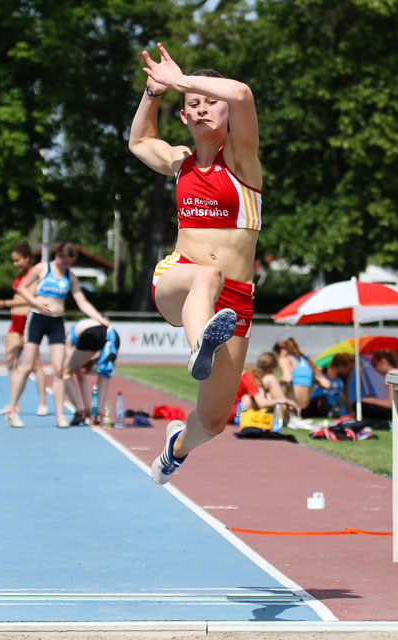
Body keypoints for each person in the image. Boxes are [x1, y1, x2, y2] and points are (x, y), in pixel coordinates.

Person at [129, 43, 261, 484]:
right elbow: (140, 141)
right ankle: (198, 346)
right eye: (192, 105)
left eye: (210, 102)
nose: (202, 109)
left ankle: (175, 449)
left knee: (212, 422)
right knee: (208, 273)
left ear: (225, 113)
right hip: (178, 279)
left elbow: (241, 91)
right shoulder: (180, 161)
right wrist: (154, 92)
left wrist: (180, 81)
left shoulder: (241, 160)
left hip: (235, 300)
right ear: (183, 117)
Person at [3, 242, 111, 428]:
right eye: (64, 262)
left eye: (70, 263)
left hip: (57, 322)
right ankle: (12, 410)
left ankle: (60, 415)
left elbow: (81, 301)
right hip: (37, 319)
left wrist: (100, 318)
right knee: (27, 365)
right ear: (57, 256)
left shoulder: (70, 276)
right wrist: (35, 303)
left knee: (59, 369)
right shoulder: (42, 268)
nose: (66, 266)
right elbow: (20, 288)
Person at [0, 242, 49, 417]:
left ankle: (43, 403)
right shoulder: (20, 275)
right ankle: (13, 404)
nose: (15, 264)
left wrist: (5, 303)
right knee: (10, 361)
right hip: (14, 323)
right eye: (13, 261)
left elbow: (29, 300)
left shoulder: (34, 274)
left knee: (35, 365)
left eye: (18, 260)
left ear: (27, 259)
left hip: (28, 322)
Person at [63, 318, 120, 426]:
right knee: (104, 374)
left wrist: (85, 410)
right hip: (113, 335)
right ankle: (99, 414)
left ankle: (80, 412)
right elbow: (81, 377)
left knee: (64, 373)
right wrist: (88, 409)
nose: (85, 370)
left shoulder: (69, 340)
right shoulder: (82, 331)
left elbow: (79, 376)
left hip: (93, 334)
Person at [229, 352, 297, 424]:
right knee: (248, 398)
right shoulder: (250, 378)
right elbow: (262, 403)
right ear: (271, 370)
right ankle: (284, 417)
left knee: (264, 396)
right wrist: (285, 400)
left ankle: (283, 416)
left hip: (231, 412)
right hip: (234, 415)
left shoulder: (250, 375)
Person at [357, 349, 398, 422]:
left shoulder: (390, 375)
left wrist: (370, 400)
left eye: (375, 365)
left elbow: (390, 404)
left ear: (382, 361)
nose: (375, 369)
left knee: (359, 405)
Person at [273, 338, 328, 410]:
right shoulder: (309, 362)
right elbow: (327, 384)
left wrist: (275, 382)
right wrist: (312, 380)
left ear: (282, 351)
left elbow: (287, 379)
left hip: (291, 404)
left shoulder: (284, 359)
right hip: (305, 405)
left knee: (272, 383)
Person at [301, 353, 354, 419]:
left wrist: (351, 412)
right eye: (350, 369)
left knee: (341, 399)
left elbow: (346, 397)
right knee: (322, 399)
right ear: (341, 365)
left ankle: (332, 411)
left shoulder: (343, 379)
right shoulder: (321, 371)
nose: (350, 373)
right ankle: (330, 412)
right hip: (313, 405)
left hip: (330, 406)